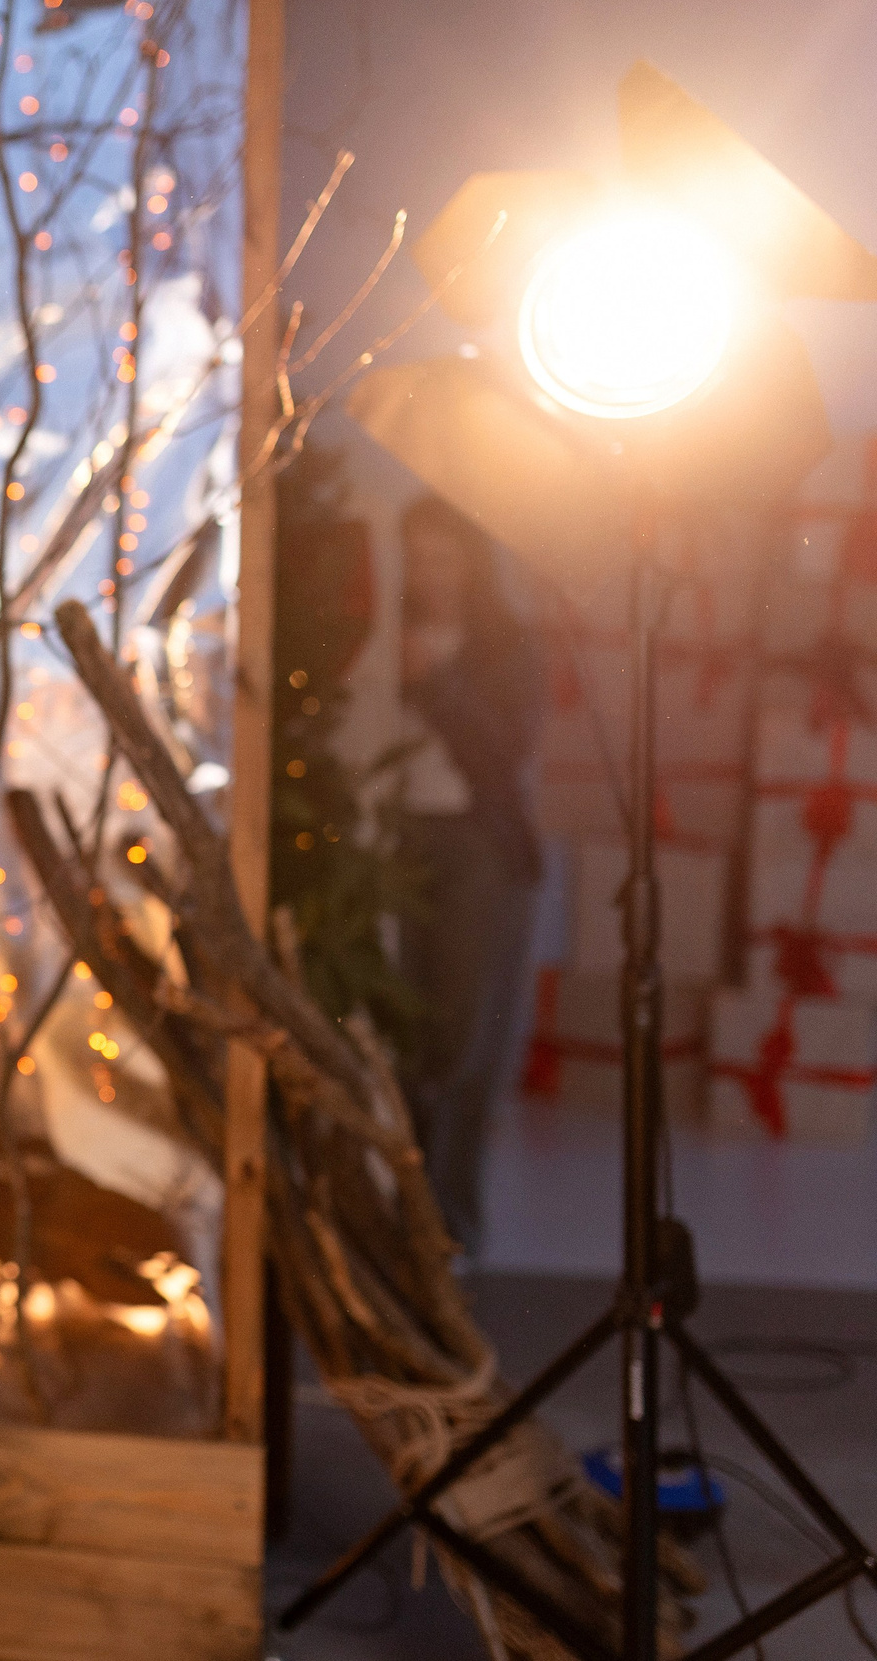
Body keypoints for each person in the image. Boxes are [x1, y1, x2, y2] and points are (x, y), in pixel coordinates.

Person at [393, 494, 544, 1256]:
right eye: (418, 558)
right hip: (398, 844)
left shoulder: (506, 646)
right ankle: (406, 1218)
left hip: (476, 849)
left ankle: (448, 1225)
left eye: (445, 559)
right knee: (405, 1038)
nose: (431, 575)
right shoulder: (383, 634)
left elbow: (504, 753)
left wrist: (439, 681)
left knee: (461, 1043)